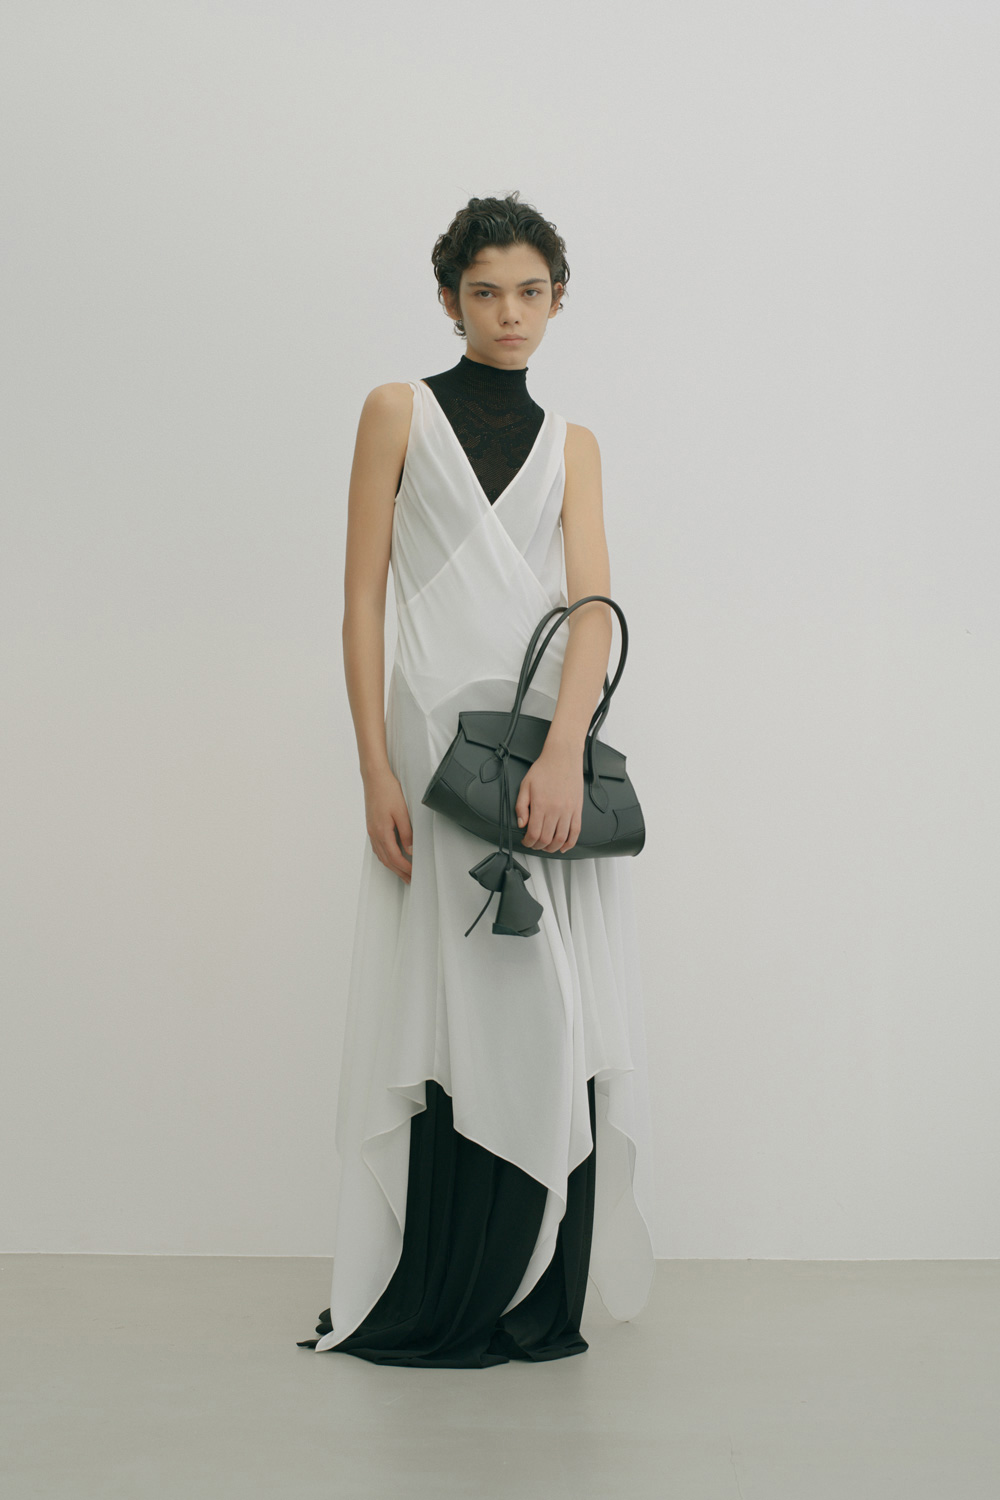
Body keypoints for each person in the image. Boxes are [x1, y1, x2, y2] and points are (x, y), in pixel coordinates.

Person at [297, 192, 654, 1368]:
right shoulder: (395, 411)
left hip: (538, 753)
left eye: (530, 293)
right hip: (429, 750)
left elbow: (591, 610)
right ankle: (445, 1284)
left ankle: (534, 1290)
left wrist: (561, 751)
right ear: (449, 299)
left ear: (559, 299)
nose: (509, 314)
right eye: (486, 292)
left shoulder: (574, 445)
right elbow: (360, 599)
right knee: (452, 990)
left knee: (551, 993)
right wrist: (372, 768)